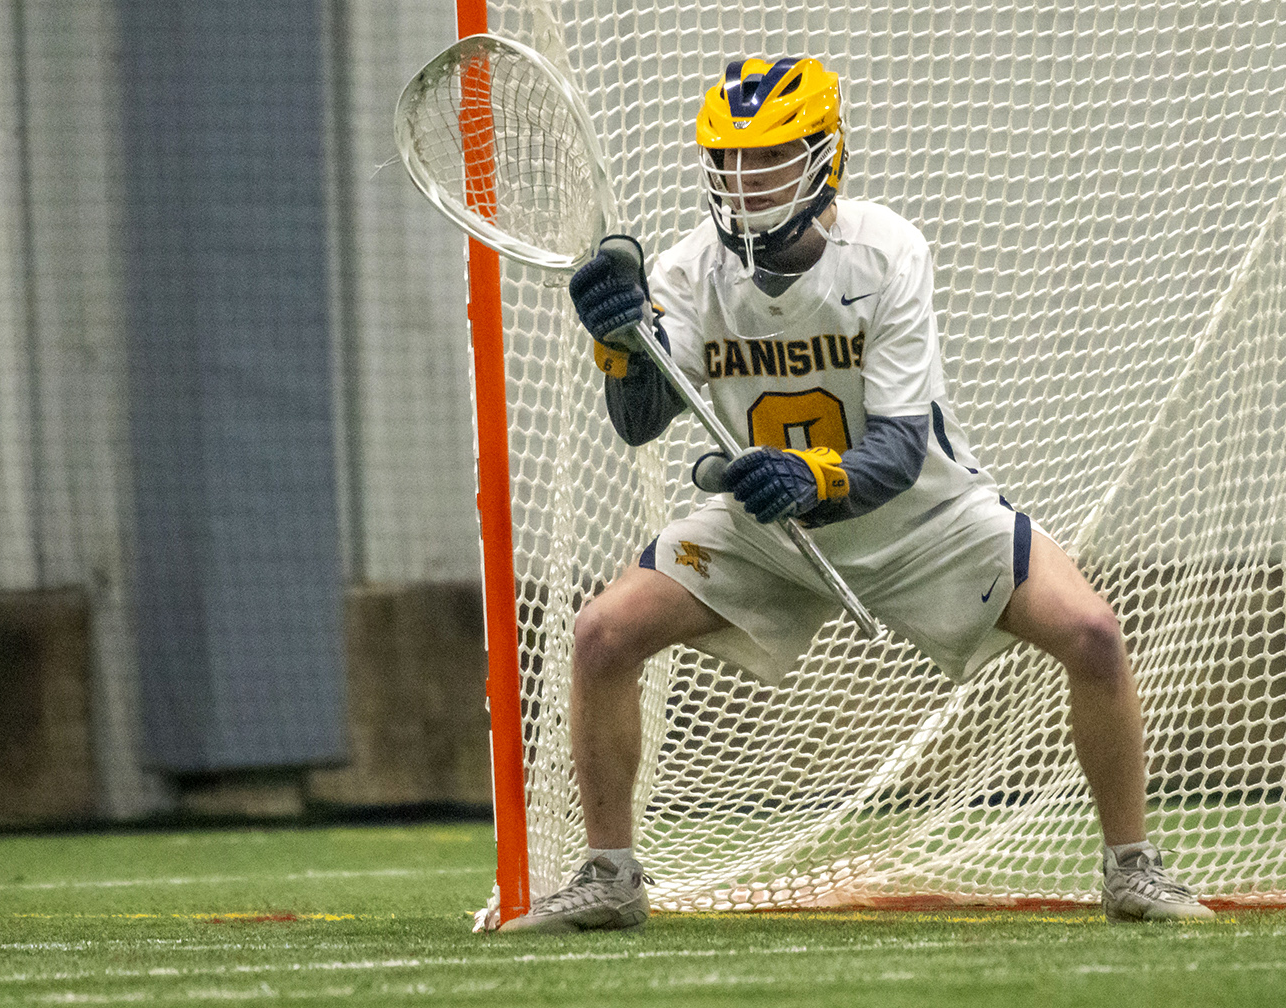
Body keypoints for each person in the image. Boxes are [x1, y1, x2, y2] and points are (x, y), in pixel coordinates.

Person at [495, 56, 1213, 933]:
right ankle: (610, 877)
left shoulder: (886, 251)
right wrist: (620, 347)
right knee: (602, 635)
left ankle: (1132, 868)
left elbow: (901, 449)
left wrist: (812, 479)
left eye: (769, 158)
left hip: (924, 520)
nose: (745, 181)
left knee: (1093, 635)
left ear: (825, 156)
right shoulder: (689, 271)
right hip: (766, 530)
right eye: (728, 161)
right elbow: (640, 421)